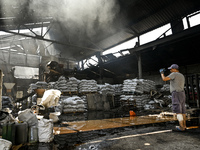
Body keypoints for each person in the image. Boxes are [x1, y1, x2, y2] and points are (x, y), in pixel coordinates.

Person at [159, 64, 186, 131]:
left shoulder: (174, 74)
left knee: (178, 111)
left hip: (176, 93)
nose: (170, 70)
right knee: (183, 111)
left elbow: (164, 79)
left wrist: (162, 73)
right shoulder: (181, 75)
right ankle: (184, 126)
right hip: (182, 93)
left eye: (171, 69)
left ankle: (181, 127)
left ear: (174, 69)